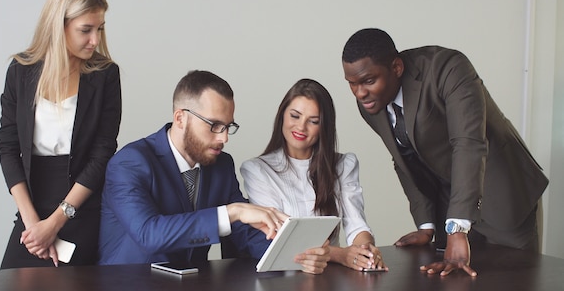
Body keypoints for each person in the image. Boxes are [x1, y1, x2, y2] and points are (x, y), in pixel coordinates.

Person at [341, 28, 548, 277]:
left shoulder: (449, 68)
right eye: (352, 84)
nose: (360, 93)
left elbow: (468, 143)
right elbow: (403, 157)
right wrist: (426, 224)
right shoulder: (370, 104)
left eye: (368, 81)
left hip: (503, 194)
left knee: (515, 281)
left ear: (396, 68)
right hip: (451, 206)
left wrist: (458, 227)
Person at [98, 70, 330, 274]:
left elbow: (246, 234)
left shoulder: (221, 165)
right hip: (129, 282)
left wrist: (296, 255)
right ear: (181, 118)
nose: (224, 138)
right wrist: (231, 212)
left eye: (228, 126)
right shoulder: (129, 163)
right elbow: (149, 234)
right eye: (214, 125)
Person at [0, 0, 122, 269]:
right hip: (32, 210)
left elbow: (102, 153)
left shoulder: (105, 75)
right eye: (85, 30)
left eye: (99, 29)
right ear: (59, 25)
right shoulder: (20, 71)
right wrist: (33, 225)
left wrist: (56, 221)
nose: (95, 40)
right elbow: (8, 148)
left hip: (81, 206)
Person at [241, 79, 387, 273]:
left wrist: (365, 251)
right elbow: (282, 240)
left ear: (324, 127)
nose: (301, 127)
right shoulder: (257, 169)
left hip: (329, 277)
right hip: (283, 278)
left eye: (313, 121)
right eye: (295, 116)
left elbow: (356, 224)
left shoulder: (344, 165)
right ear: (282, 115)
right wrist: (341, 255)